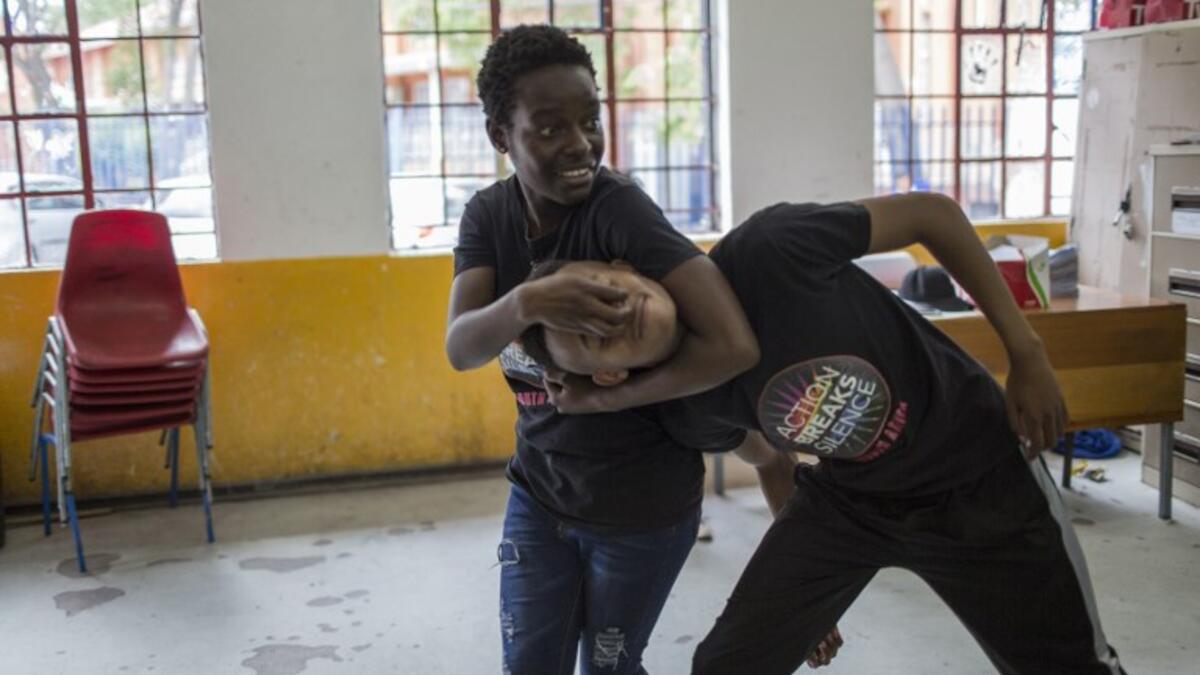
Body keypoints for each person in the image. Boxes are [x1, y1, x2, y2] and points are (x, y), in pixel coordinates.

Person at [523, 193, 1126, 675]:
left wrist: (1027, 351)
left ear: (624, 267)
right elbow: (774, 464)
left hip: (980, 472)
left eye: (605, 293)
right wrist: (811, 600)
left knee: (1066, 666)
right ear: (606, 374)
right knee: (726, 665)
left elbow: (931, 215)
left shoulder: (770, 250)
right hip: (854, 502)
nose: (616, 315)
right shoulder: (685, 409)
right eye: (594, 335)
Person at [445, 24, 769, 675]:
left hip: (642, 508)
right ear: (500, 137)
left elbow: (734, 344)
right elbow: (461, 346)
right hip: (539, 492)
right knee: (530, 664)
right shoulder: (489, 217)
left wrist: (605, 396)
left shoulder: (621, 211)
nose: (580, 143)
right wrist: (526, 303)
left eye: (591, 119)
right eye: (549, 126)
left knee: (612, 667)